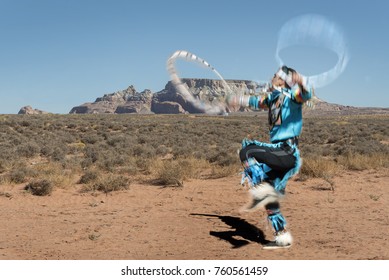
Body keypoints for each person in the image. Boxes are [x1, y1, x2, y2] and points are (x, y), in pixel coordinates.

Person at [228, 65, 313, 249]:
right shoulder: (272, 98)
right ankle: (282, 237)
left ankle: (261, 188)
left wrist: (301, 82)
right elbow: (254, 101)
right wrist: (236, 99)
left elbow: (306, 94)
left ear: (283, 80)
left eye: (275, 75)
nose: (272, 77)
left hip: (287, 152)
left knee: (247, 150)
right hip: (279, 152)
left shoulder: (293, 97)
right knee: (270, 202)